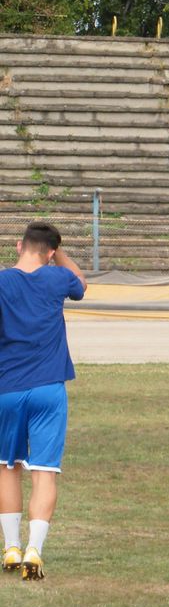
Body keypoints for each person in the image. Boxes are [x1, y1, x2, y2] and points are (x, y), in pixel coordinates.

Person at [0, 222, 86, 581]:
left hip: (7, 386)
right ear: (51, 253)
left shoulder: (3, 280)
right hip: (49, 387)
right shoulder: (56, 279)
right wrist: (59, 252)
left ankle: (10, 547)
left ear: (19, 246)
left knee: (7, 467)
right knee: (45, 470)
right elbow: (80, 282)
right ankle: (35, 548)